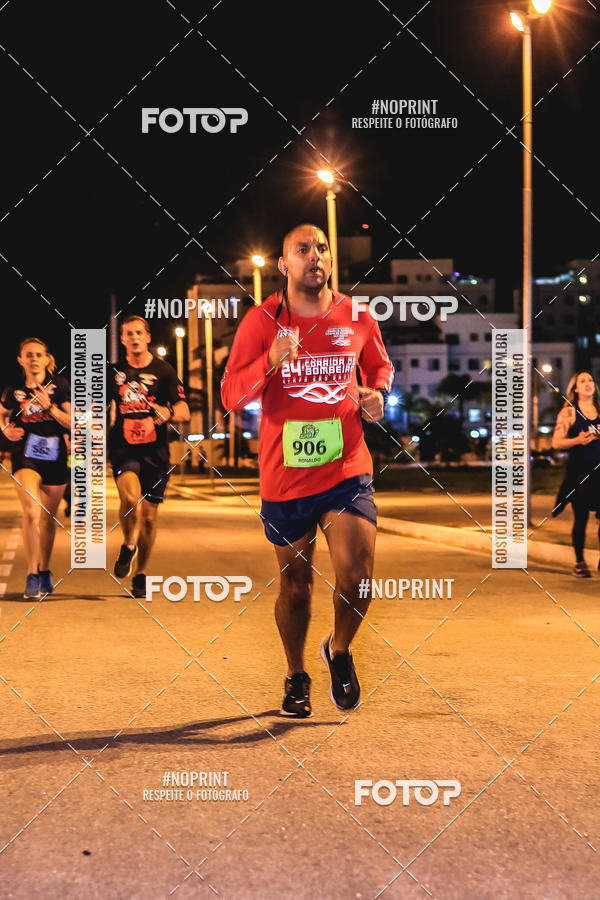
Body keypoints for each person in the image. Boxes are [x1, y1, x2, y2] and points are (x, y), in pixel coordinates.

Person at [221, 224, 394, 717]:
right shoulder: (260, 322)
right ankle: (296, 673)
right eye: (303, 249)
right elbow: (231, 395)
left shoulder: (357, 314)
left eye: (322, 249)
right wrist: (268, 363)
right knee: (296, 589)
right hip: (285, 477)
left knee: (358, 577)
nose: (315, 255)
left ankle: (338, 650)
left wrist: (378, 394)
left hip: (347, 468)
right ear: (284, 265)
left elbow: (380, 368)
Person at [108, 316, 190, 598]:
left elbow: (184, 410)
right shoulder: (115, 371)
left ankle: (140, 573)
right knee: (130, 499)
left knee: (150, 518)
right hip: (123, 448)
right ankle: (128, 543)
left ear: (147, 337)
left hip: (156, 452)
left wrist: (168, 412)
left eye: (138, 333)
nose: (133, 338)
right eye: (128, 334)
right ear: (122, 339)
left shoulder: (164, 370)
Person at [0, 338, 71, 599]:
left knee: (48, 519)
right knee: (31, 511)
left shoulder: (60, 386)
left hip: (55, 457)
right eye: (28, 355)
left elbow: (72, 422)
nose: (33, 358)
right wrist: (4, 427)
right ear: (20, 359)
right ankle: (31, 573)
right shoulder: (13, 390)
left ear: (45, 358)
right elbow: (1, 413)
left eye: (38, 354)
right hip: (25, 456)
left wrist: (49, 407)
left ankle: (44, 570)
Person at [552, 369, 600, 576]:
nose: (588, 383)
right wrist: (576, 441)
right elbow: (556, 442)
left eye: (591, 380)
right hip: (580, 472)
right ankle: (580, 562)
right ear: (576, 388)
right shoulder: (569, 412)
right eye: (583, 381)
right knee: (581, 518)